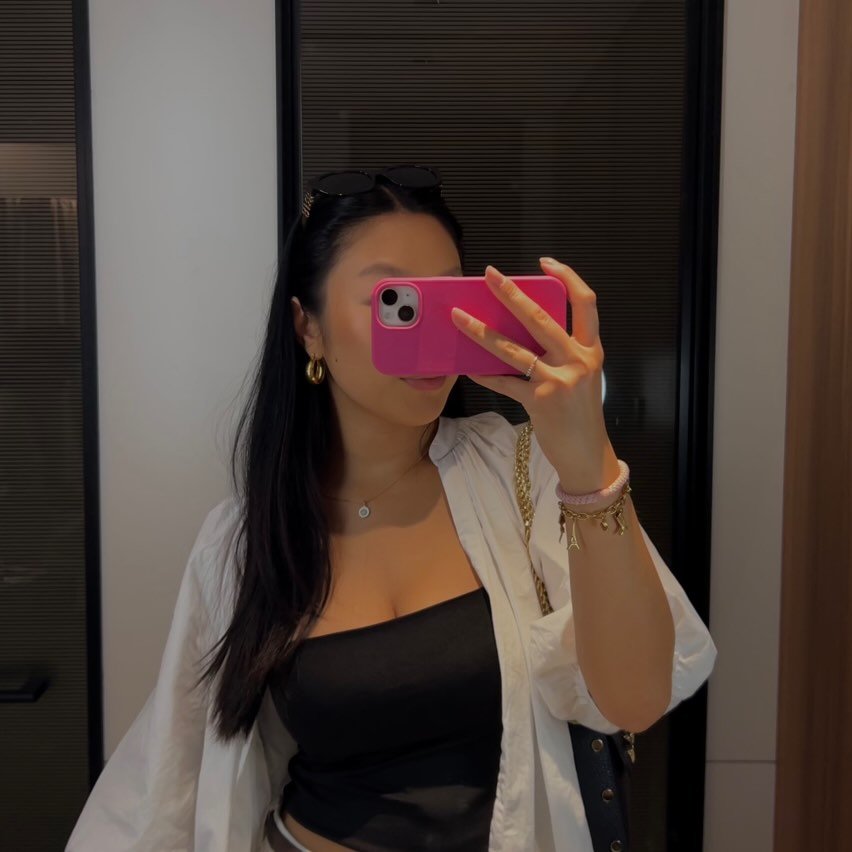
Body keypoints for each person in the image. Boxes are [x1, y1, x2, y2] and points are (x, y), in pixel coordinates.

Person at [67, 165, 717, 852]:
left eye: (448, 295)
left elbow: (635, 699)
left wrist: (588, 461)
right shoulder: (247, 537)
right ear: (308, 327)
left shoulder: (522, 472)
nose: (430, 326)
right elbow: (172, 772)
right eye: (395, 299)